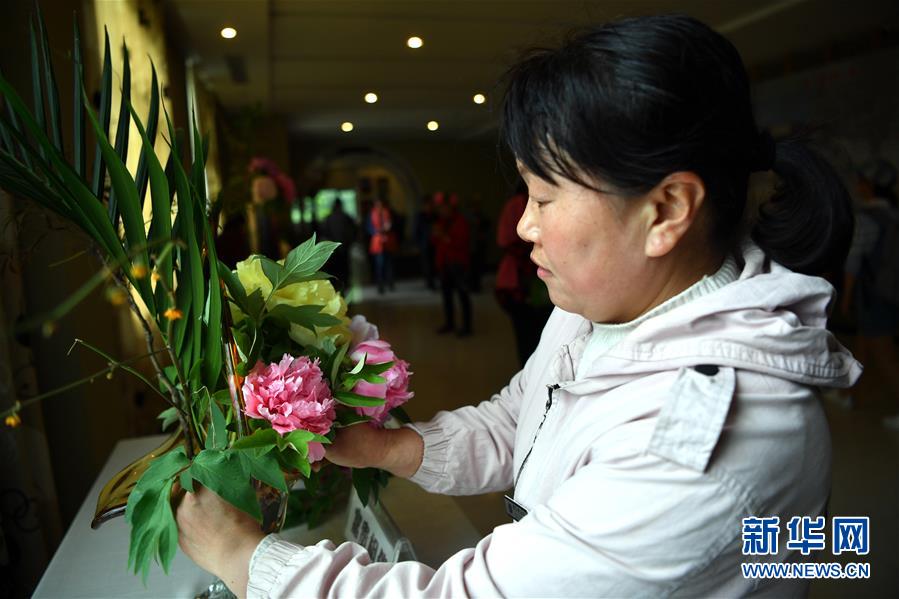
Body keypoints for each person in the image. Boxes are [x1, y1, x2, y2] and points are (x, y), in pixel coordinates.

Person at [178, 14, 861, 597]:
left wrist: (246, 558)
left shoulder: (700, 444)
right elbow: (521, 418)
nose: (524, 226)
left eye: (543, 196)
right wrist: (395, 445)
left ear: (666, 209)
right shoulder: (606, 303)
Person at [840, 160, 899, 426]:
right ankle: (850, 394)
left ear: (870, 186)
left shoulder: (866, 219)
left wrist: (846, 299)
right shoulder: (893, 216)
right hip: (890, 294)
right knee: (863, 346)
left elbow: (853, 264)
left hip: (872, 296)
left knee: (885, 357)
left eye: (862, 181)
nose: (858, 186)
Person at [495, 179, 553, 366]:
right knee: (532, 333)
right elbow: (505, 240)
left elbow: (504, 240)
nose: (524, 228)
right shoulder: (516, 205)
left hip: (526, 281)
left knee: (531, 334)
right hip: (518, 282)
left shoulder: (514, 204)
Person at [432, 192, 472, 336]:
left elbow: (461, 242)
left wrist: (443, 236)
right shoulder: (441, 222)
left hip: (458, 263)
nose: (442, 211)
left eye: (445, 208)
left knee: (463, 295)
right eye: (441, 208)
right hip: (445, 263)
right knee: (447, 295)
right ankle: (449, 323)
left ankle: (467, 327)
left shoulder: (460, 221)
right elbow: (436, 242)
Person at [320, 198, 358, 293]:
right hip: (344, 248)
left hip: (333, 249)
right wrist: (349, 243)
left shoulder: (328, 218)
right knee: (345, 270)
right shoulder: (347, 217)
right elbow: (353, 232)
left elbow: (324, 234)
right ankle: (345, 287)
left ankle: (336, 289)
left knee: (335, 270)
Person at [366, 198, 396, 294]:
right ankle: (380, 285)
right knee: (379, 265)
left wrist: (388, 228)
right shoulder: (371, 214)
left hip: (388, 242)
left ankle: (390, 283)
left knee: (389, 264)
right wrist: (377, 232)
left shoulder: (388, 213)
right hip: (377, 243)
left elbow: (393, 225)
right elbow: (369, 227)